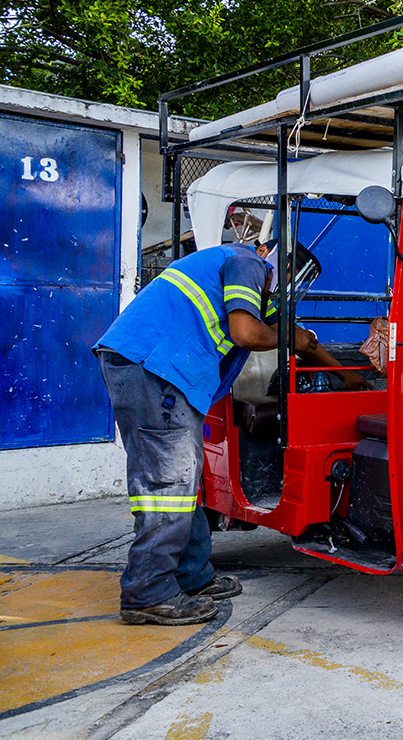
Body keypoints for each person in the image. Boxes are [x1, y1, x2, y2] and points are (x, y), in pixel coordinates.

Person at [94, 241, 369, 625]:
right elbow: (246, 333)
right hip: (153, 369)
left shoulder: (252, 283)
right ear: (271, 258)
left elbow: (296, 338)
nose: (287, 282)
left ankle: (192, 577)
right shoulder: (247, 264)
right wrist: (292, 339)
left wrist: (352, 378)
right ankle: (147, 593)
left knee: (183, 482)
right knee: (167, 486)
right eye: (289, 273)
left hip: (157, 370)